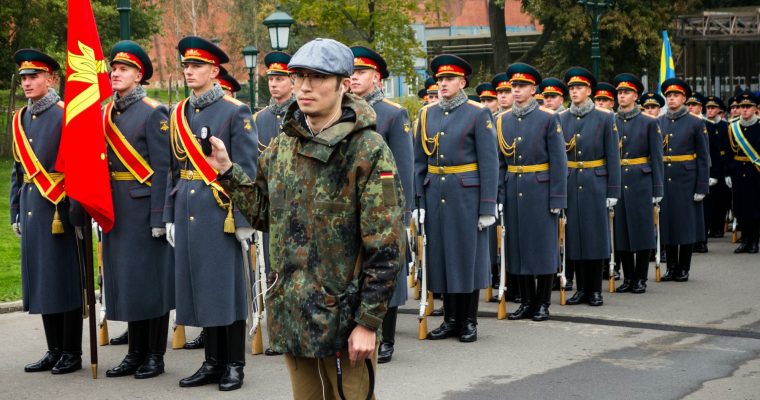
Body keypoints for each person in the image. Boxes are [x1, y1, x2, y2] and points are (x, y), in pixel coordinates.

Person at [208, 37, 404, 399]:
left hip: (344, 321)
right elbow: (266, 215)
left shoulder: (367, 150)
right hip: (294, 315)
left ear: (343, 85)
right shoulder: (283, 147)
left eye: (318, 77)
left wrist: (368, 322)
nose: (305, 87)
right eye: (299, 77)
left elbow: (387, 247)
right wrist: (228, 172)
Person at [166, 36, 258, 391]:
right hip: (189, 208)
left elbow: (247, 169)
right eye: (186, 66)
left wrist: (246, 220)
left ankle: (234, 363)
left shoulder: (235, 111)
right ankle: (212, 361)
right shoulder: (180, 112)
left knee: (226, 291)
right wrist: (170, 215)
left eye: (197, 66)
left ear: (214, 71)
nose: (189, 72)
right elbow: (174, 168)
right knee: (201, 289)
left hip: (222, 213)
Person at [100, 41, 174, 379]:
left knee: (151, 284)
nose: (116, 73)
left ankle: (153, 356)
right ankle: (134, 352)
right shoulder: (106, 113)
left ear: (139, 74)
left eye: (124, 69)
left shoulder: (153, 111)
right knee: (129, 282)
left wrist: (160, 216)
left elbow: (163, 168)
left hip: (144, 207)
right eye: (114, 68)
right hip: (116, 206)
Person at [414, 54, 499, 342]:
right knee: (442, 257)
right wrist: (419, 201)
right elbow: (418, 162)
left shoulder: (478, 113)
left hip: (467, 194)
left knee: (466, 257)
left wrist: (487, 206)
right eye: (439, 79)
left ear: (463, 82)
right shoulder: (427, 114)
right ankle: (450, 318)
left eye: (449, 79)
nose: (443, 84)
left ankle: (469, 320)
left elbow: (489, 163)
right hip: (436, 192)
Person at [10, 49, 83, 374]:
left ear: (51, 78)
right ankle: (53, 349)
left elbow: (80, 170)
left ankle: (72, 352)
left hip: (60, 210)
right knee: (42, 280)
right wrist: (15, 210)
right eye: (24, 78)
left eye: (34, 77)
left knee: (64, 281)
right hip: (32, 209)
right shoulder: (20, 118)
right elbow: (17, 171)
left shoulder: (64, 114)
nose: (27, 83)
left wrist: (79, 214)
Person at [350, 45, 413, 364]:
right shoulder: (343, 110)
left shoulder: (392, 113)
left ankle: (387, 336)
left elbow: (400, 169)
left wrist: (401, 214)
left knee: (385, 267)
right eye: (351, 72)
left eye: (360, 73)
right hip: (351, 199)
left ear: (376, 77)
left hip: (384, 197)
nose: (354, 78)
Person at [495, 63, 567, 321]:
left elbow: (559, 160)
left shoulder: (548, 118)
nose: (516, 90)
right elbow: (500, 163)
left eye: (521, 86)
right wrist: (499, 197)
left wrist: (558, 197)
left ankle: (543, 302)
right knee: (519, 248)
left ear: (533, 89)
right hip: (514, 188)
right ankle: (526, 301)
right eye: (513, 86)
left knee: (544, 247)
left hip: (541, 188)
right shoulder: (501, 120)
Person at [559, 67, 621, 307]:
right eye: (572, 88)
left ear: (589, 91)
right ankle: (581, 289)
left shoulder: (605, 117)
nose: (574, 92)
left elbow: (613, 156)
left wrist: (613, 190)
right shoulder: (561, 118)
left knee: (594, 238)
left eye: (579, 88)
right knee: (575, 238)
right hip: (571, 181)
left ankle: (595, 290)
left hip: (596, 181)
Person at [611, 73, 663, 294]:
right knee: (620, 232)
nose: (622, 96)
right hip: (618, 180)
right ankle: (628, 277)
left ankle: (641, 277)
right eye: (620, 93)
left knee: (642, 231)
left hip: (641, 180)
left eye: (626, 93)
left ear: (635, 96)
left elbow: (657, 157)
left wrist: (657, 188)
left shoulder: (648, 122)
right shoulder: (611, 121)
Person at [657, 78, 709, 282]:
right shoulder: (658, 122)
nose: (671, 98)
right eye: (668, 95)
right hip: (665, 177)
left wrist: (702, 185)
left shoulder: (696, 122)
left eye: (675, 95)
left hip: (687, 178)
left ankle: (684, 267)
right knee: (667, 223)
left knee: (685, 225)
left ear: (684, 98)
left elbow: (704, 157)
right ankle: (671, 266)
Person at [726, 91, 760, 253]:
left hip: (756, 172)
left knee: (755, 207)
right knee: (740, 207)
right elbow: (727, 152)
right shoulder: (733, 127)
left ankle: (754, 241)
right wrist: (728, 173)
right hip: (738, 171)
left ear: (755, 109)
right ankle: (744, 240)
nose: (744, 110)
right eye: (742, 107)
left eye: (748, 107)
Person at [704, 96, 731, 240]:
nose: (710, 110)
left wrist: (727, 172)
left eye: (713, 108)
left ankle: (718, 227)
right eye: (708, 108)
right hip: (708, 167)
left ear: (719, 110)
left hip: (722, 167)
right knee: (709, 200)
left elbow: (728, 149)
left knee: (722, 200)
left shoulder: (725, 126)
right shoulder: (702, 125)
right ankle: (708, 227)